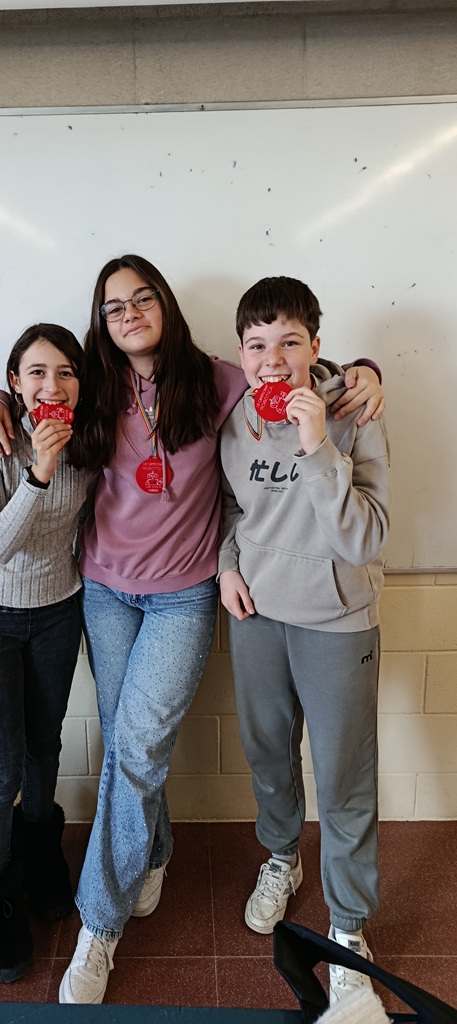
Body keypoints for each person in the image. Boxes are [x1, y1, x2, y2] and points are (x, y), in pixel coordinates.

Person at [0, 255, 384, 1005]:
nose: (128, 313)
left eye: (142, 298)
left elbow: (294, 367)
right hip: (104, 592)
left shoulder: (219, 381)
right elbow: (39, 384)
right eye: (113, 305)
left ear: (165, 304)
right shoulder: (93, 385)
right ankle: (152, 851)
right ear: (101, 321)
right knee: (128, 740)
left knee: (134, 747)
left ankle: (98, 928)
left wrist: (365, 370)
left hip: (183, 598)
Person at [218, 276, 391, 1005]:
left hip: (336, 619)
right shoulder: (236, 417)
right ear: (241, 353)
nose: (273, 360)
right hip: (257, 614)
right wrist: (227, 565)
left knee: (344, 774)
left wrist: (318, 446)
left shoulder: (353, 409)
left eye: (289, 342)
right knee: (267, 753)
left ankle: (348, 924)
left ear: (315, 346)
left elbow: (364, 537)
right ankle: (282, 858)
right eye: (257, 345)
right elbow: (232, 507)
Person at [0, 324, 90, 983]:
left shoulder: (88, 440)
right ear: (14, 382)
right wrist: (38, 468)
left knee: (44, 749)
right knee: (0, 767)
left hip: (58, 612)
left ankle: (40, 861)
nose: (51, 386)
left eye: (65, 372)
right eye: (36, 372)